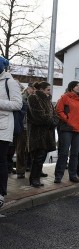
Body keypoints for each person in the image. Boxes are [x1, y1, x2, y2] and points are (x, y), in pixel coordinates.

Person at [0, 56, 23, 207]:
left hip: (3, 128)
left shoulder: (10, 82)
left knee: (0, 160)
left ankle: (1, 193)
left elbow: (17, 104)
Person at [26, 82, 58, 187]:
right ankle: (34, 179)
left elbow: (54, 114)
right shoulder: (33, 98)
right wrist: (51, 122)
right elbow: (38, 115)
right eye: (48, 89)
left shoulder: (47, 100)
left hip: (47, 133)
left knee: (42, 156)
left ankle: (36, 177)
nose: (50, 92)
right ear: (41, 89)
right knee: (38, 157)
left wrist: (54, 121)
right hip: (37, 134)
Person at [54, 81, 79, 183]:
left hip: (78, 129)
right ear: (72, 87)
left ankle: (73, 175)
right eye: (77, 86)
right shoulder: (65, 97)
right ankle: (58, 175)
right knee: (64, 152)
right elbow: (59, 110)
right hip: (67, 128)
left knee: (75, 154)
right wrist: (67, 119)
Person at [15, 83, 34, 179]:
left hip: (31, 127)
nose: (33, 91)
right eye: (32, 88)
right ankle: (20, 171)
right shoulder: (23, 98)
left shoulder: (33, 98)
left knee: (30, 150)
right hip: (23, 127)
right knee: (21, 149)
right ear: (28, 88)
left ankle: (28, 168)